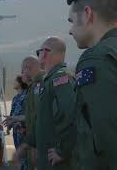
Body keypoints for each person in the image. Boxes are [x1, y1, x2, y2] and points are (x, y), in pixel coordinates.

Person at [67, 0, 117, 169]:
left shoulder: (96, 59)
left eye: (72, 21)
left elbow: (108, 140)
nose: (70, 31)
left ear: (87, 14)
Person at [13, 37, 76, 170]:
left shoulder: (60, 79)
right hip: (46, 158)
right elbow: (41, 119)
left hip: (56, 162)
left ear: (45, 53)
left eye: (39, 52)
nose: (39, 56)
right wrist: (28, 145)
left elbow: (71, 116)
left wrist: (62, 151)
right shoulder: (48, 81)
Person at [20, 56, 45, 170]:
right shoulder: (34, 86)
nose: (21, 75)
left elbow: (40, 117)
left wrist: (35, 146)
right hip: (35, 142)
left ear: (27, 69)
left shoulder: (41, 85)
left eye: (22, 71)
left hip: (40, 145)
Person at [4, 75, 28, 170]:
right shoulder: (15, 98)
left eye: (15, 81)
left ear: (20, 83)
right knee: (19, 155)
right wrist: (9, 125)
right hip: (16, 132)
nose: (13, 83)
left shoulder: (26, 96)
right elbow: (12, 114)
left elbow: (28, 115)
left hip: (23, 131)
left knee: (24, 157)